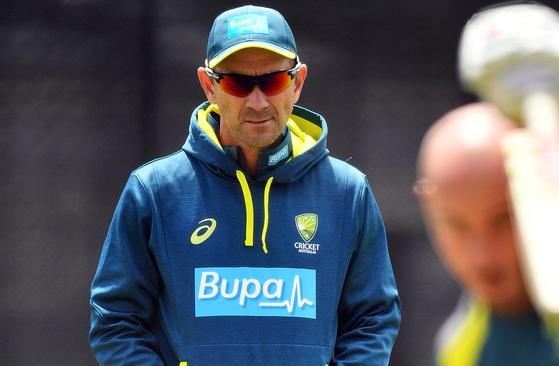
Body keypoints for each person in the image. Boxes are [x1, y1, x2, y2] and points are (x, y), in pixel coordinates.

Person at [89, 5, 400, 365]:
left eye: (273, 81)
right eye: (238, 83)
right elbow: (115, 322)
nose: (257, 101)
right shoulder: (154, 191)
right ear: (209, 86)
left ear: (296, 83)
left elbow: (373, 320)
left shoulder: (348, 193)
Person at [414, 87, 559, 366]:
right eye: (456, 225)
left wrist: (549, 88)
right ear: (427, 206)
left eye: (503, 219)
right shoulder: (461, 349)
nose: (482, 255)